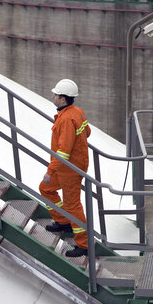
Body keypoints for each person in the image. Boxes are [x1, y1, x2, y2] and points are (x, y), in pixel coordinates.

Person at [39, 79, 91, 258]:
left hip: (69, 169)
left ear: (62, 99)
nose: (53, 97)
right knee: (46, 189)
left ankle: (83, 245)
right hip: (70, 166)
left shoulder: (67, 119)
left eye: (55, 95)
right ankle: (63, 221)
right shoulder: (77, 112)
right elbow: (87, 132)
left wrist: (50, 171)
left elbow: (63, 152)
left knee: (72, 205)